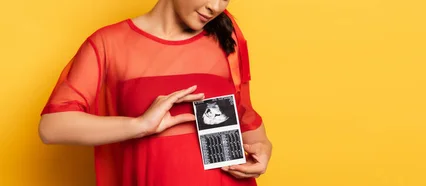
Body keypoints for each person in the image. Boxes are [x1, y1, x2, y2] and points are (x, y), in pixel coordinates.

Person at [37, 0, 272, 185]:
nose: (215, 7)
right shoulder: (110, 44)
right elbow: (52, 127)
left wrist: (263, 149)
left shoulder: (227, 37)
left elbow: (246, 116)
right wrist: (139, 125)